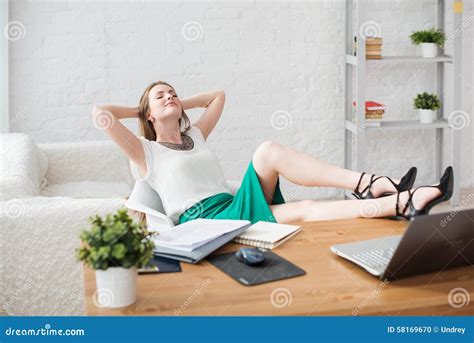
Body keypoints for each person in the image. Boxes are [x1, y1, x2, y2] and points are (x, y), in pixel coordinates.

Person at [91, 81, 453, 225]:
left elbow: (218, 96)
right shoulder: (145, 152)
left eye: (173, 92)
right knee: (304, 211)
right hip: (203, 223)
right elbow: (101, 114)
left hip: (230, 205)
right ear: (148, 114)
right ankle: (403, 202)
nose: (170, 96)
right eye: (161, 96)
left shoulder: (195, 135)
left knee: (267, 152)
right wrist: (144, 107)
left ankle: (371, 183)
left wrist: (174, 101)